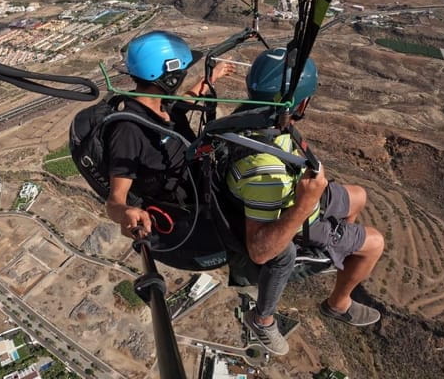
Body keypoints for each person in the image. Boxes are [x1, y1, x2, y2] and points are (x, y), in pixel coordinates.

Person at [225, 47, 384, 355]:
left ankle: (332, 250)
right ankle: (337, 304)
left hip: (291, 192)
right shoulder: (265, 170)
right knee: (375, 243)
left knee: (358, 196)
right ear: (300, 101)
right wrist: (304, 203)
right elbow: (260, 251)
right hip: (290, 209)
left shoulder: (251, 117)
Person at [104, 30, 235, 258]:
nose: (183, 76)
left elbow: (187, 98)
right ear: (169, 78)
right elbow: (115, 200)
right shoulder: (129, 131)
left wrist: (211, 78)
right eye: (181, 72)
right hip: (188, 213)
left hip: (202, 186)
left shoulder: (163, 105)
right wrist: (125, 212)